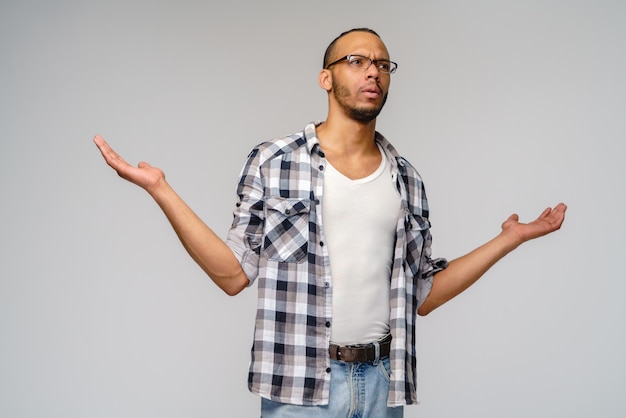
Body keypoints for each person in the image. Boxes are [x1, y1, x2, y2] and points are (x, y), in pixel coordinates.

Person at [94, 28, 567, 417]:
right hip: (301, 388)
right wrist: (161, 189)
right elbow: (233, 273)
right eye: (357, 61)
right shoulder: (274, 162)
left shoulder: (406, 179)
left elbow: (424, 293)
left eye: (383, 64)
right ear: (326, 77)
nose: (373, 73)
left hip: (383, 386)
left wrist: (510, 240)